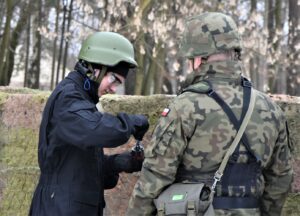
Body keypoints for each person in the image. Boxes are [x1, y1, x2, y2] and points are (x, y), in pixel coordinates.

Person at [127, 12, 293, 216]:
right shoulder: (270, 108)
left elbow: (153, 180)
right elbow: (281, 179)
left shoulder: (184, 106)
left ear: (200, 58)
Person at [29, 32, 149, 216]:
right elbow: (97, 129)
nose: (114, 89)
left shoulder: (82, 101)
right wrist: (131, 122)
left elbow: (80, 169)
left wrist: (119, 163)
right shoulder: (68, 99)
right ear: (95, 69)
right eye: (114, 79)